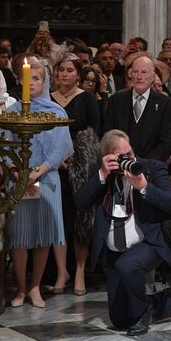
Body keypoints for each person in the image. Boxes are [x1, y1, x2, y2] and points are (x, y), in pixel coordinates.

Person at [73, 129, 171, 336]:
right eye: (121, 157)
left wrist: (143, 186)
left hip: (149, 243)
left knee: (128, 265)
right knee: (119, 319)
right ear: (108, 157)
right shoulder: (103, 173)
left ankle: (141, 316)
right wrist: (102, 175)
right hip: (116, 251)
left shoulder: (150, 168)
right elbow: (80, 201)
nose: (128, 160)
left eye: (129, 153)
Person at [6, 62, 73, 308]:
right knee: (20, 237)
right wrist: (17, 174)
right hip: (19, 180)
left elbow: (61, 148)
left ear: (44, 82)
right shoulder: (12, 111)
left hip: (47, 179)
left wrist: (37, 172)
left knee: (44, 237)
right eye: (28, 78)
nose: (32, 82)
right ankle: (21, 289)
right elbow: (5, 146)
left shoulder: (57, 112)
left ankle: (35, 287)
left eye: (37, 78)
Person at [51, 53, 101, 295]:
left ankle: (80, 269)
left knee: (81, 219)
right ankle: (62, 271)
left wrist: (75, 156)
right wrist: (56, 157)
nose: (64, 74)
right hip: (53, 167)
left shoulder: (87, 98)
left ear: (78, 75)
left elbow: (95, 132)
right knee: (59, 219)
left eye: (70, 70)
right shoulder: (47, 100)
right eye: (61, 70)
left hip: (81, 166)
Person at [104, 56, 171, 163]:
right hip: (119, 166)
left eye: (143, 72)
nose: (138, 76)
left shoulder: (164, 103)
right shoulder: (116, 100)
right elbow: (108, 134)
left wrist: (142, 164)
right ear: (130, 75)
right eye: (135, 72)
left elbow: (166, 142)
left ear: (153, 77)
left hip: (151, 169)